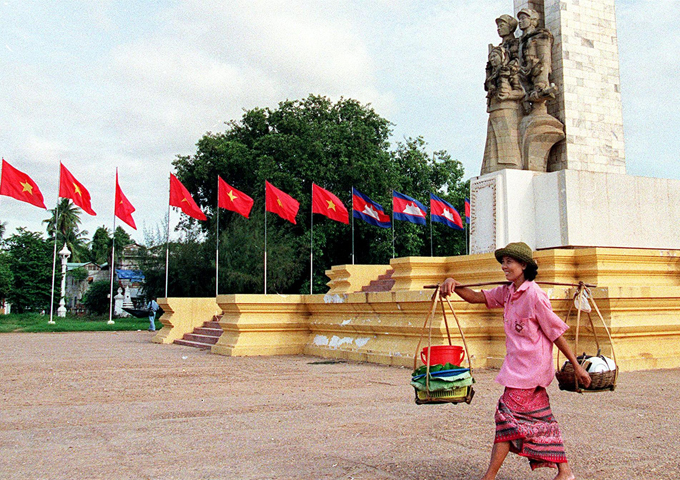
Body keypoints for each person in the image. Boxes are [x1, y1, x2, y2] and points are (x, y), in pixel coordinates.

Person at [441, 242, 590, 480]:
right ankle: (565, 471)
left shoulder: (534, 295)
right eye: (503, 262)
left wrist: (577, 366)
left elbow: (555, 333)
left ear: (524, 265)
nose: (504, 266)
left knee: (506, 418)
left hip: (532, 371)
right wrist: (454, 284)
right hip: (517, 369)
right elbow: (476, 298)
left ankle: (489, 477)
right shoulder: (508, 292)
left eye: (509, 262)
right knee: (540, 421)